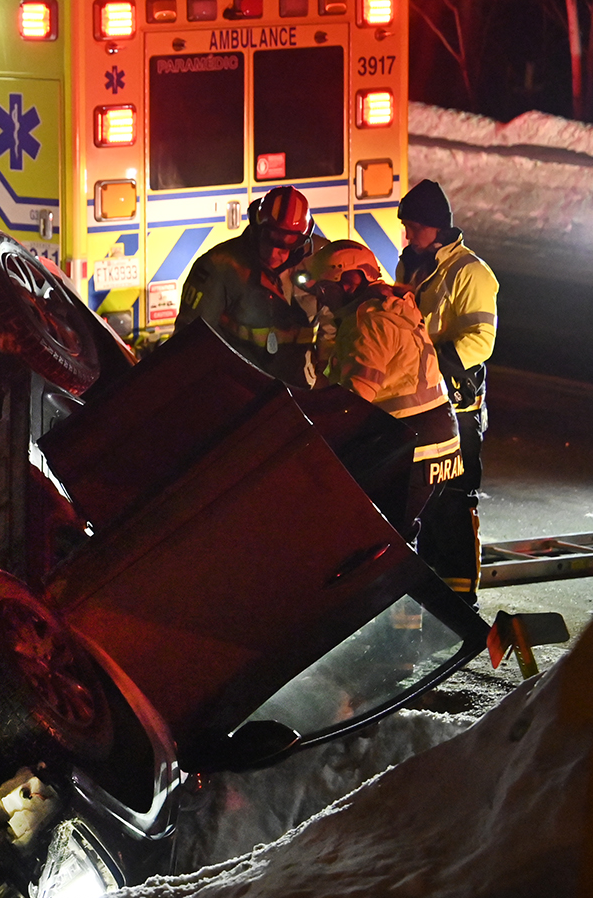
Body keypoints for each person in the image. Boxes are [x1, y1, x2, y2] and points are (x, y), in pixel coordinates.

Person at [300, 240, 462, 542]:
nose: (321, 298)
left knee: (381, 539)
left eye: (325, 288)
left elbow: (354, 401)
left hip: (411, 442)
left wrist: (315, 436)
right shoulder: (396, 306)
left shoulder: (368, 321)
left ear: (349, 281)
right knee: (403, 534)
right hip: (439, 437)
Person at [395, 179, 498, 607]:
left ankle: (460, 600)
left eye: (413, 227)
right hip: (425, 402)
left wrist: (430, 362)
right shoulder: (412, 264)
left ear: (436, 226)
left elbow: (481, 341)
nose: (407, 235)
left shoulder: (470, 272)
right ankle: (431, 591)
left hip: (458, 406)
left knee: (454, 499)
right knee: (424, 498)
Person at [172, 185, 330, 387]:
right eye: (268, 237)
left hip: (302, 387)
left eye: (286, 243)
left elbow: (337, 323)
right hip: (241, 388)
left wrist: (325, 376)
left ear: (302, 239)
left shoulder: (323, 260)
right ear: (256, 227)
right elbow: (190, 343)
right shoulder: (219, 266)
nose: (273, 253)